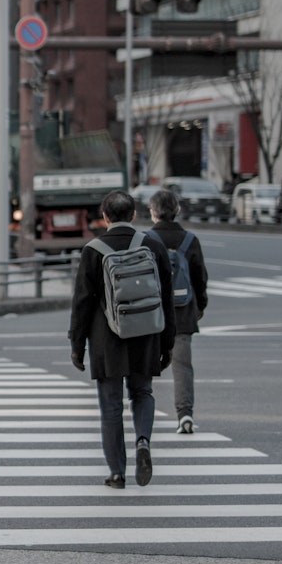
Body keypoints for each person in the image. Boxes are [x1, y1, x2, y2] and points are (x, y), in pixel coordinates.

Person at [69, 190, 176, 489]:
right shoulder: (152, 245)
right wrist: (167, 343)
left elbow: (82, 303)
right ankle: (143, 439)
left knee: (111, 405)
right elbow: (165, 297)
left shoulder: (93, 250)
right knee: (142, 392)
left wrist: (77, 346)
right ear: (133, 215)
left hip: (107, 339)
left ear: (104, 217)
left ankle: (117, 472)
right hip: (146, 333)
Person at [146, 188, 209, 435]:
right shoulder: (190, 240)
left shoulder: (147, 239)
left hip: (153, 314)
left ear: (153, 213)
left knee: (146, 364)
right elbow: (200, 278)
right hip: (183, 313)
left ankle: (142, 412)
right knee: (182, 366)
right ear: (177, 211)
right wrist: (200, 306)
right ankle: (185, 414)